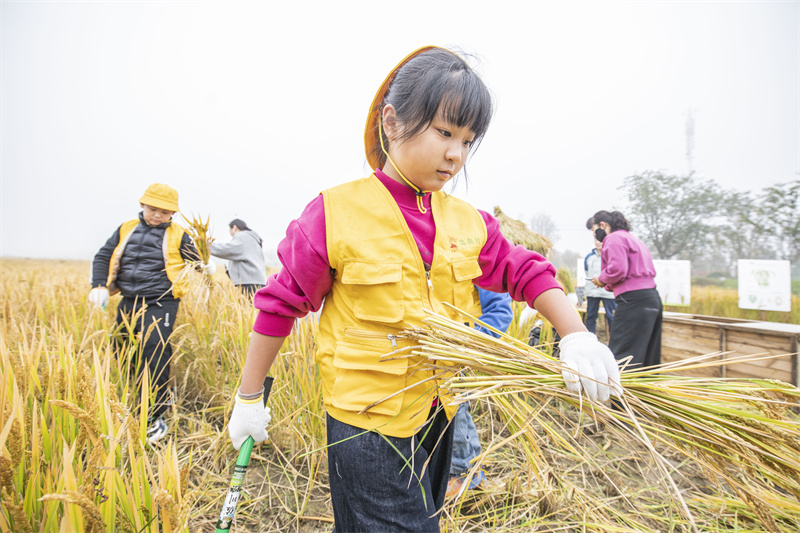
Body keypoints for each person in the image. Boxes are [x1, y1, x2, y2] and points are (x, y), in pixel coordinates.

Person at [227, 46, 621, 532]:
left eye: (468, 140)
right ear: (392, 122)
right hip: (366, 425)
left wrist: (575, 334)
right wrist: (249, 398)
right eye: (444, 132)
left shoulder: (468, 222)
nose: (456, 154)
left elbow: (526, 272)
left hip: (439, 415)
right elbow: (280, 304)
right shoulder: (334, 213)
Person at [88, 183, 214, 444]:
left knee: (154, 353)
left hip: (161, 302)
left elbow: (196, 261)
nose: (157, 215)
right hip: (128, 300)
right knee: (121, 351)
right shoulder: (126, 229)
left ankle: (155, 416)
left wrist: (206, 266)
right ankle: (131, 400)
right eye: (153, 209)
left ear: (173, 214)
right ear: (142, 205)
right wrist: (99, 285)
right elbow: (103, 256)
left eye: (165, 212)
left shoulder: (179, 234)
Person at [447, 286, 513, 498]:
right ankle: (466, 470)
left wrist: (468, 342)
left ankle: (464, 474)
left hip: (457, 346)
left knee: (455, 406)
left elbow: (500, 312)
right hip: (439, 344)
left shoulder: (476, 258)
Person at [589, 210, 662, 369]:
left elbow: (618, 269)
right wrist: (607, 283)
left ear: (603, 225)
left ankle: (619, 391)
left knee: (622, 355)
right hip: (651, 298)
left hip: (633, 301)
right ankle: (647, 391)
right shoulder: (633, 239)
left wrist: (601, 279)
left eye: (594, 231)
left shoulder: (614, 238)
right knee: (648, 357)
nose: (595, 236)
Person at [209, 218, 268, 297]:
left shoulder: (242, 236)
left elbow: (228, 250)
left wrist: (206, 246)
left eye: (229, 230)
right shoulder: (253, 238)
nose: (230, 233)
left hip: (249, 282)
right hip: (258, 281)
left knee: (248, 307)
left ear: (234, 227)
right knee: (254, 308)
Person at [583, 218, 617, 336]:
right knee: (591, 316)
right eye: (595, 240)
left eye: (599, 240)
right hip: (592, 291)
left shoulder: (611, 254)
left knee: (611, 316)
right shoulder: (589, 257)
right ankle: (590, 339)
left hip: (608, 292)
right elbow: (587, 271)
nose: (598, 242)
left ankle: (613, 340)